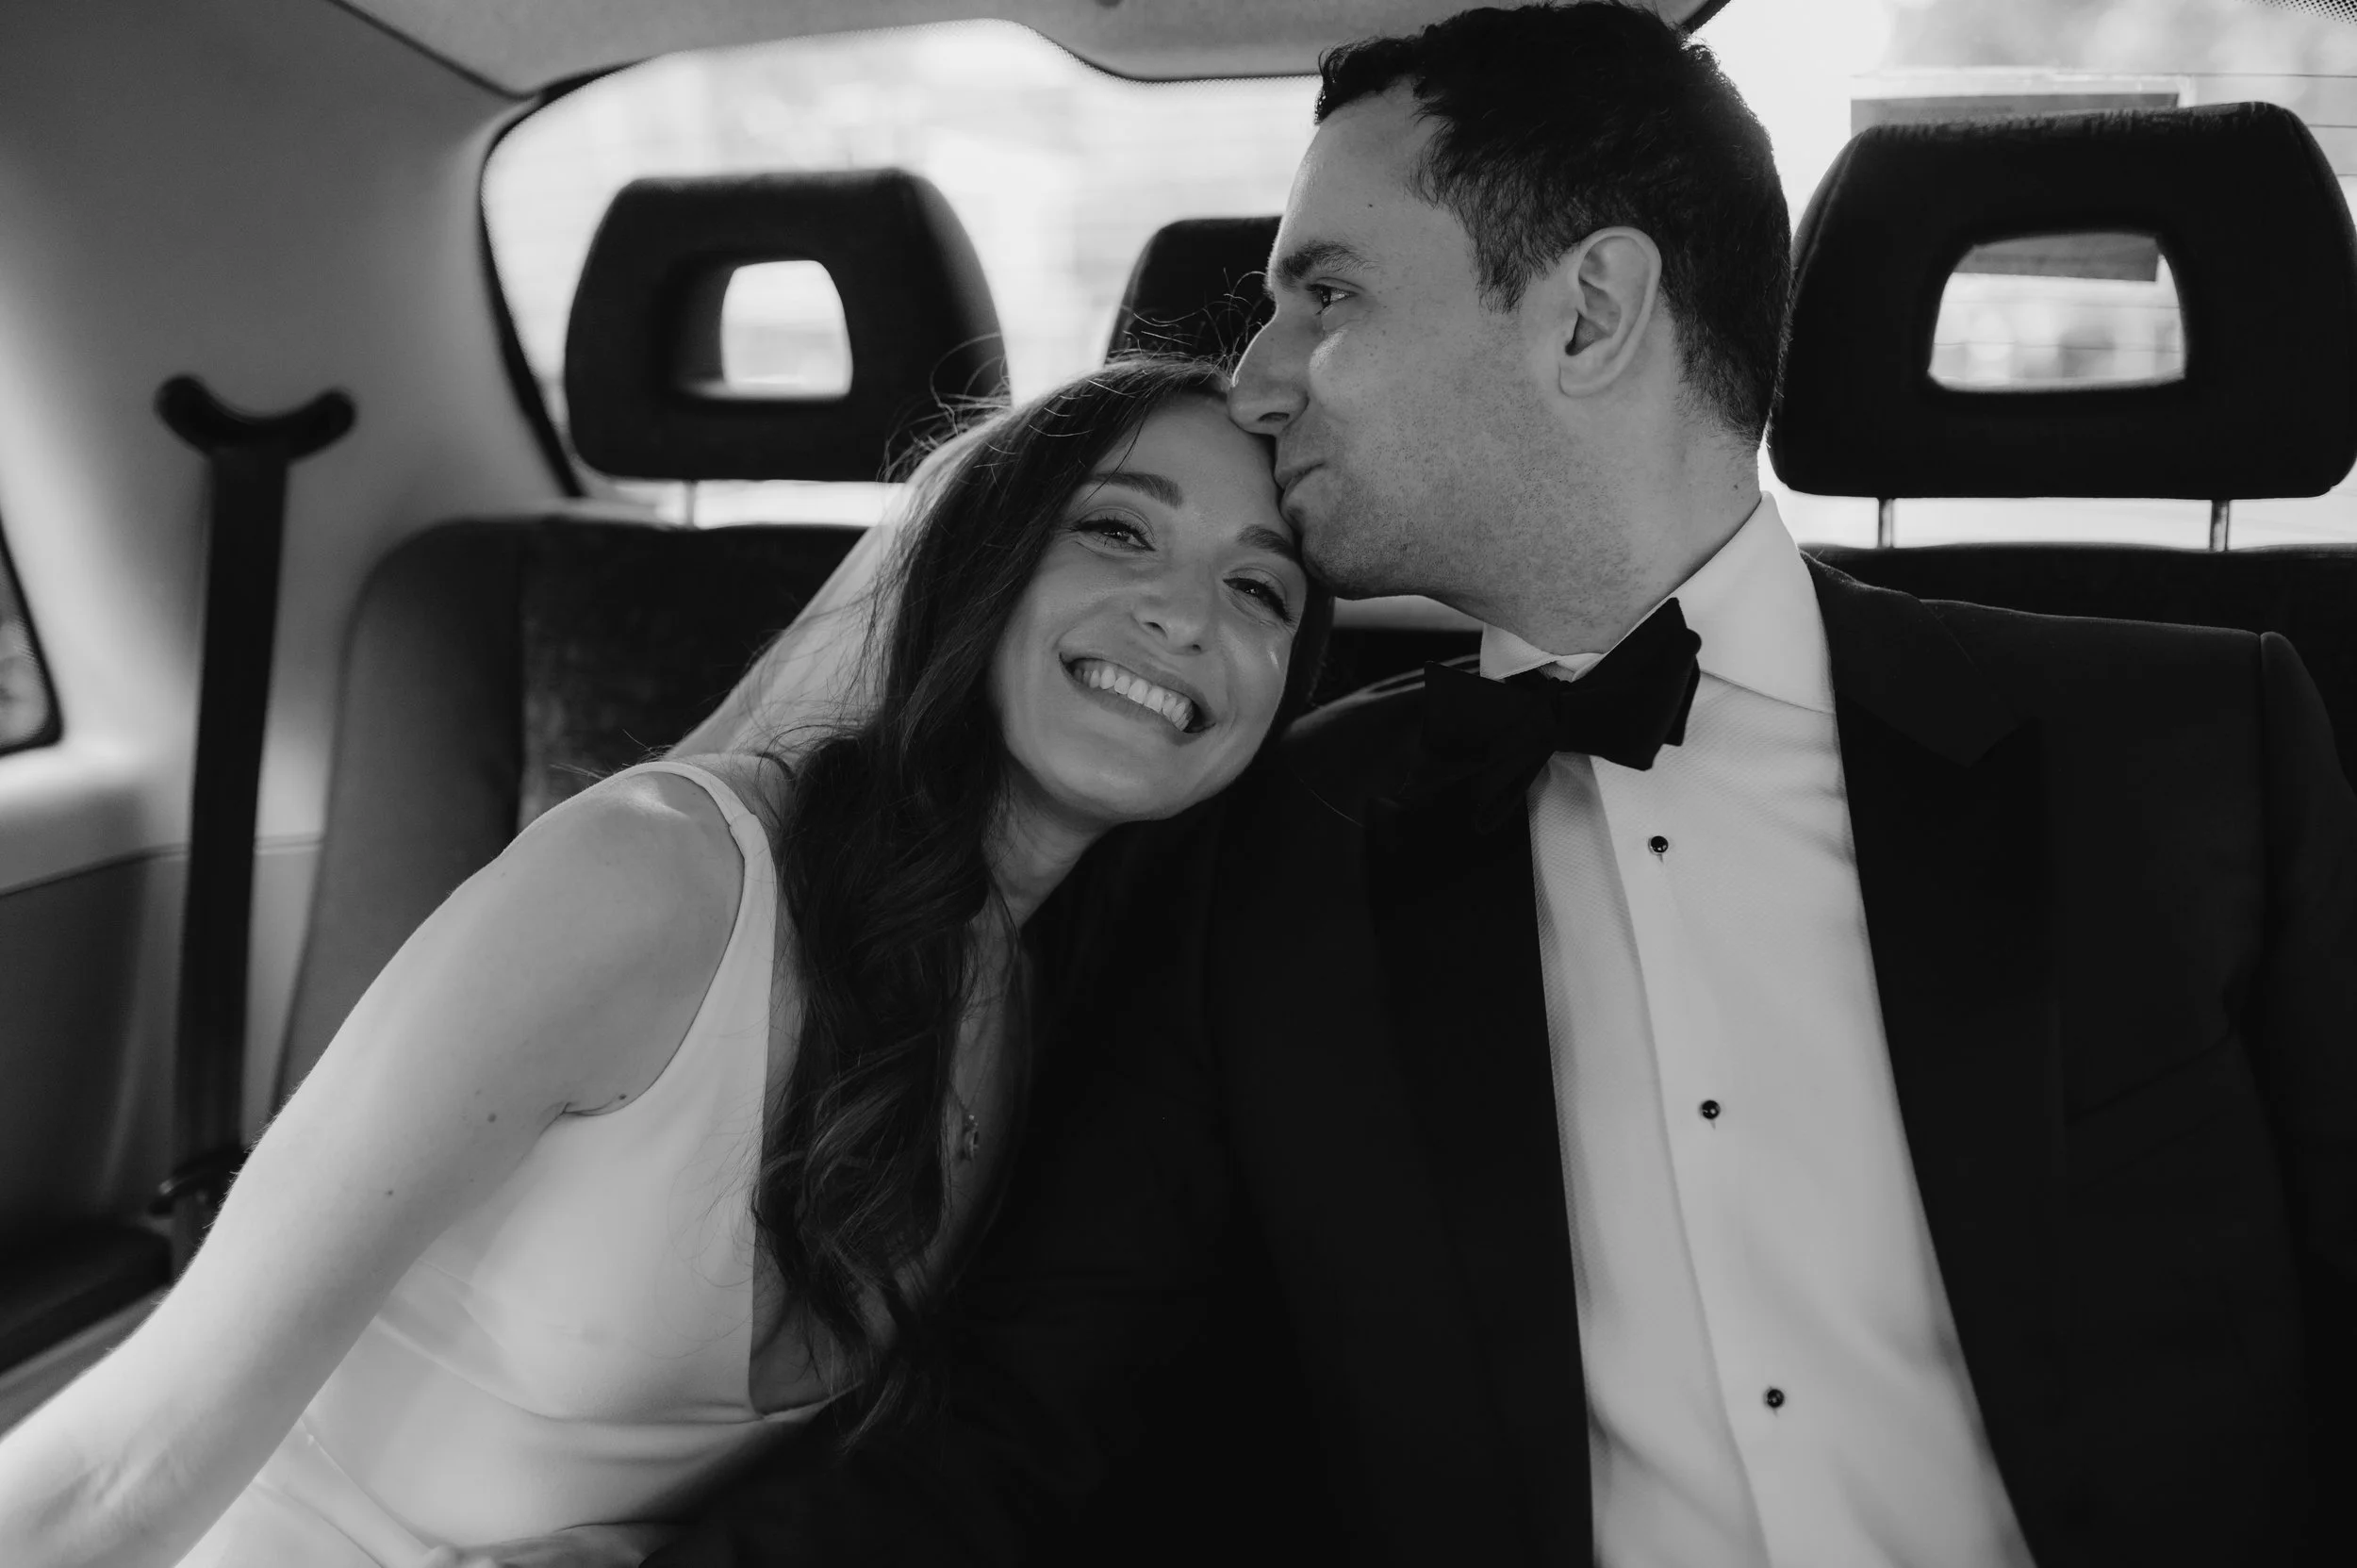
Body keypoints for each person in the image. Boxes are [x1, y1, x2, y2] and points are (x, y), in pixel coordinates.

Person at [579, 6, 2352, 1566]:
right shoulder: (1270, 842)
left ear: (1589, 310)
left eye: (1322, 297)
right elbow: (1022, 1430)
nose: (1252, 385)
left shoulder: (2200, 753)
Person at [0, 355, 1321, 1568]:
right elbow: (132, 1460)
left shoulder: (1075, 1032)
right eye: (1118, 528)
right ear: (986, 560)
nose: (1183, 616)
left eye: (1259, 585)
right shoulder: (652, 883)